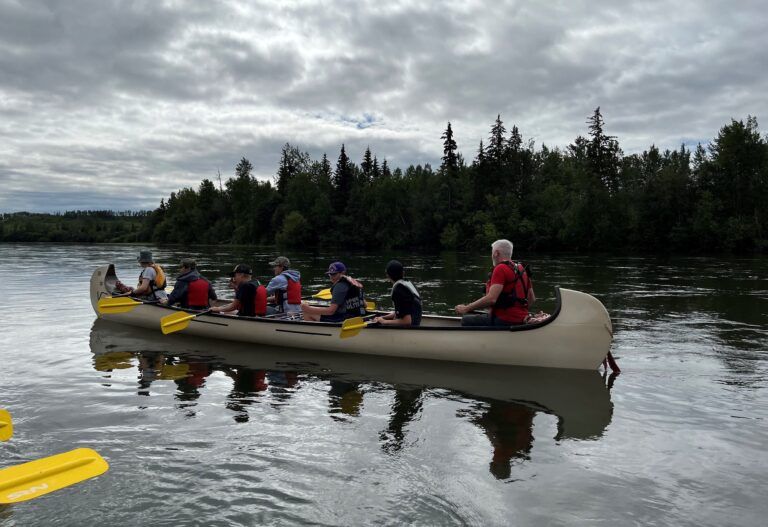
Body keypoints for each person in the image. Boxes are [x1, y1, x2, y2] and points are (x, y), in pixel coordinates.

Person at [455, 239, 534, 326]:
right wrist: (520, 315)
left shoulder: (500, 268)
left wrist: (466, 308)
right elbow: (531, 299)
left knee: (465, 320)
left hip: (504, 320)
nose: (491, 255)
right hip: (523, 319)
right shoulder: (522, 269)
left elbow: (491, 299)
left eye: (492, 252)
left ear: (496, 253)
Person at [301, 261, 366, 322]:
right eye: (330, 274)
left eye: (334, 274)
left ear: (342, 273)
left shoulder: (339, 286)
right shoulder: (353, 282)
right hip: (358, 316)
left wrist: (308, 308)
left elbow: (331, 311)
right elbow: (364, 305)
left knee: (307, 313)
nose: (331, 277)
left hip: (345, 319)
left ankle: (316, 333)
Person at [371, 260, 422, 326]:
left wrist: (384, 322)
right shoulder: (408, 284)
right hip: (416, 322)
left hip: (410, 329)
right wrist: (382, 318)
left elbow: (407, 321)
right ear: (403, 273)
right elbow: (403, 312)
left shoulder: (398, 291)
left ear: (387, 275)